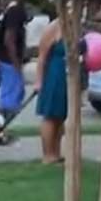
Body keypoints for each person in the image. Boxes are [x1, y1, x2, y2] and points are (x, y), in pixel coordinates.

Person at [0, 0, 29, 124]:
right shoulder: (15, 11)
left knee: (9, 94)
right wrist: (16, 63)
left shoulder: (9, 10)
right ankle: (2, 126)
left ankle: (1, 125)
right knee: (11, 97)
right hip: (9, 61)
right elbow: (9, 39)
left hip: (3, 59)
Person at [34, 20, 68, 165]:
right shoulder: (53, 28)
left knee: (60, 116)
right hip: (54, 74)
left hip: (67, 75)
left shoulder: (76, 27)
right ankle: (48, 154)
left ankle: (56, 152)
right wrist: (39, 81)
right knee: (50, 115)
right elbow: (42, 57)